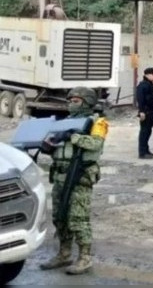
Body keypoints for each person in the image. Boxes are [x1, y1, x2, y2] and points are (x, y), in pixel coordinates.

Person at [39, 87, 108, 275]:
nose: (71, 103)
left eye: (76, 100)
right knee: (59, 217)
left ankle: (85, 258)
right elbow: (56, 144)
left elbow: (95, 144)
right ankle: (64, 253)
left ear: (86, 102)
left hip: (79, 175)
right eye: (70, 100)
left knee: (78, 218)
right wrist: (48, 146)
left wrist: (73, 136)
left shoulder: (97, 122)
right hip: (60, 175)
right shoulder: (65, 123)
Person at [136, 67, 153, 159]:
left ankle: (146, 150)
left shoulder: (151, 85)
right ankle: (142, 152)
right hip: (146, 111)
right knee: (144, 131)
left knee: (148, 131)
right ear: (147, 75)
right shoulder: (143, 85)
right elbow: (141, 99)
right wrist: (142, 111)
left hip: (151, 110)